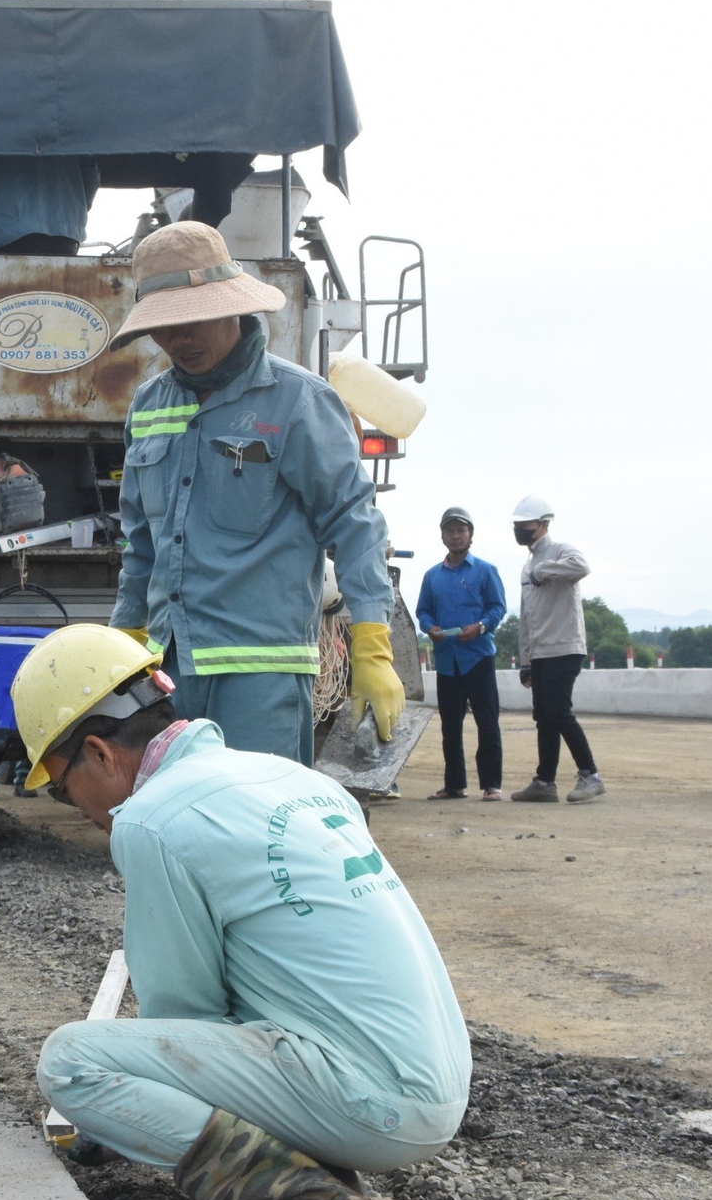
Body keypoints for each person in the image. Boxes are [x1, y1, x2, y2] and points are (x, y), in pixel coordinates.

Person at [14, 625, 470, 1200]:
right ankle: (323, 1163)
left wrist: (119, 1109)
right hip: (437, 1078)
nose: (72, 804)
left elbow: (183, 1020)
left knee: (70, 1061)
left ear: (99, 750)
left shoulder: (152, 819)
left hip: (377, 1099)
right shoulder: (287, 775)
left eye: (61, 786)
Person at [106, 220, 403, 766]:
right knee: (177, 826)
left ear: (233, 307)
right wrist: (124, 634)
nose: (179, 339)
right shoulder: (147, 408)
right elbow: (140, 543)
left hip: (260, 676)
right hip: (167, 671)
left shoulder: (298, 402)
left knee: (255, 830)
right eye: (164, 327)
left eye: (193, 320)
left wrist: (372, 644)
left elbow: (356, 524)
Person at [509, 495, 604, 803]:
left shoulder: (560, 551)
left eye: (528, 525)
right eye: (518, 525)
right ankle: (545, 781)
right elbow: (527, 617)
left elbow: (581, 566)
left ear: (544, 524)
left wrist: (544, 572)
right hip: (540, 652)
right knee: (545, 716)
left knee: (559, 712)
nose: (522, 530)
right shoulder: (527, 566)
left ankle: (590, 775)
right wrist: (526, 660)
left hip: (565, 647)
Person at [415, 507, 506, 800]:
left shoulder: (485, 571)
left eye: (460, 531)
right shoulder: (432, 576)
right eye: (450, 531)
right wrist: (430, 628)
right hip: (446, 659)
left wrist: (480, 627)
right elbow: (423, 611)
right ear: (442, 536)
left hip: (478, 656)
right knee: (450, 725)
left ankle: (491, 784)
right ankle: (454, 784)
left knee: (487, 721)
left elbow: (497, 607)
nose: (455, 536)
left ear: (471, 535)